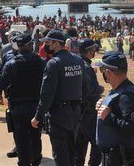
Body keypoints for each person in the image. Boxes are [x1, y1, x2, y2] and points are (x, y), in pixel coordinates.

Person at [31, 30, 86, 166]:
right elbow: (86, 87)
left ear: (56, 44)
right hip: (75, 113)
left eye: (48, 43)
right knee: (72, 152)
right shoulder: (78, 60)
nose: (45, 46)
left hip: (59, 115)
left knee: (61, 154)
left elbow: (47, 94)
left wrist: (38, 116)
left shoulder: (53, 63)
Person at [0, 33, 45, 166]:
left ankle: (24, 162)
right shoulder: (41, 61)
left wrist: (0, 93)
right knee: (36, 137)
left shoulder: (11, 63)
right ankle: (36, 162)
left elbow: (1, 83)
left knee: (21, 139)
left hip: (18, 108)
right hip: (37, 107)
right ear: (31, 45)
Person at [96, 51, 134, 166]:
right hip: (115, 157)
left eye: (102, 70)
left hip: (123, 159)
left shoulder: (127, 97)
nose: (102, 73)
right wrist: (104, 105)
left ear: (108, 72)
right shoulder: (119, 90)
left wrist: (109, 117)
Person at [75, 38, 103, 166]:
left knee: (80, 143)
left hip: (80, 112)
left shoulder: (79, 62)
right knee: (97, 143)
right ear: (89, 50)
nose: (95, 51)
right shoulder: (85, 66)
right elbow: (89, 91)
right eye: (93, 49)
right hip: (88, 112)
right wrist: (100, 89)